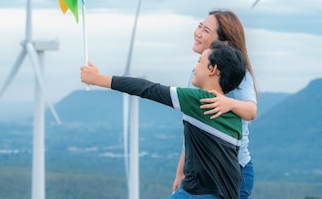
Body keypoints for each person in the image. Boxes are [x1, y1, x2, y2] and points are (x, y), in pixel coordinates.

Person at [81, 40, 247, 199]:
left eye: (199, 61)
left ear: (213, 69)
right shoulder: (234, 116)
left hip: (196, 194)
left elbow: (148, 89)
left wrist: (98, 79)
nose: (194, 68)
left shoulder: (200, 100)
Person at [172, 9, 258, 199]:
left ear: (223, 43)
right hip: (200, 175)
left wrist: (228, 103)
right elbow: (193, 128)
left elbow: (251, 111)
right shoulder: (195, 76)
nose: (198, 32)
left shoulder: (239, 75)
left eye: (206, 30)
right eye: (199, 26)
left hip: (233, 173)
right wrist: (181, 172)